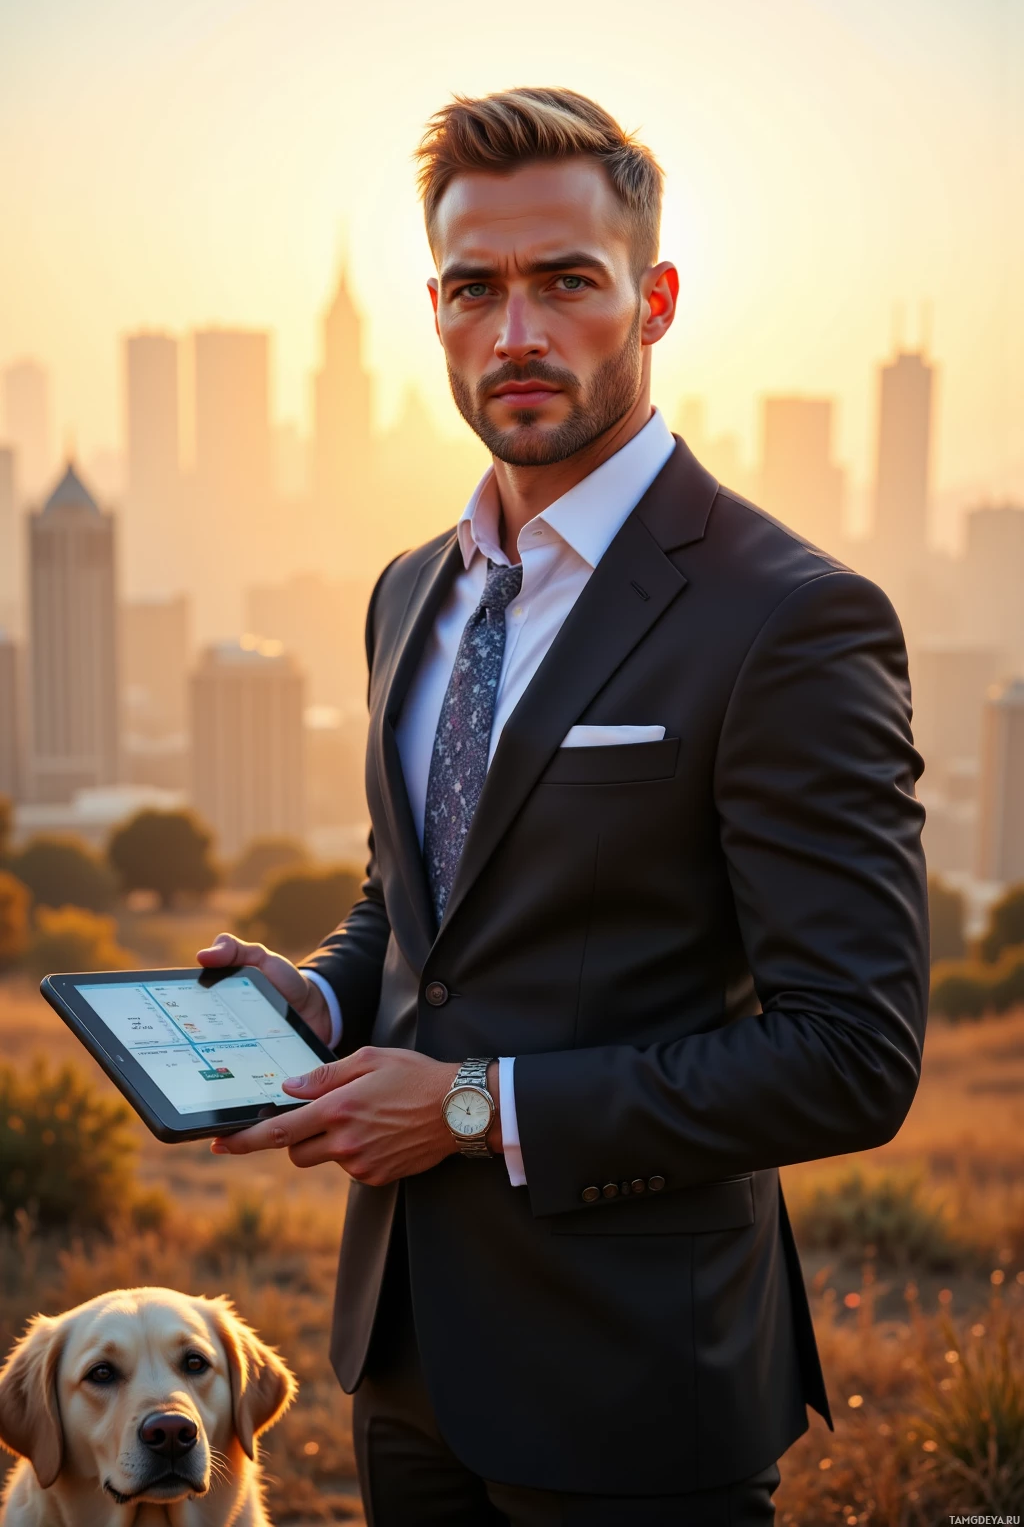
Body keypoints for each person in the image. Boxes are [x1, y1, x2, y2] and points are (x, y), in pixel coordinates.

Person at [199, 87, 928, 1526]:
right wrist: (329, 1004)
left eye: (566, 283)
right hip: (403, 1356)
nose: (516, 333)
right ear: (436, 310)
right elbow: (420, 913)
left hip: (636, 1384)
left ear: (651, 299)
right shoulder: (411, 590)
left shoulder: (787, 619)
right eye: (477, 289)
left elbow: (853, 1056)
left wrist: (471, 1106)